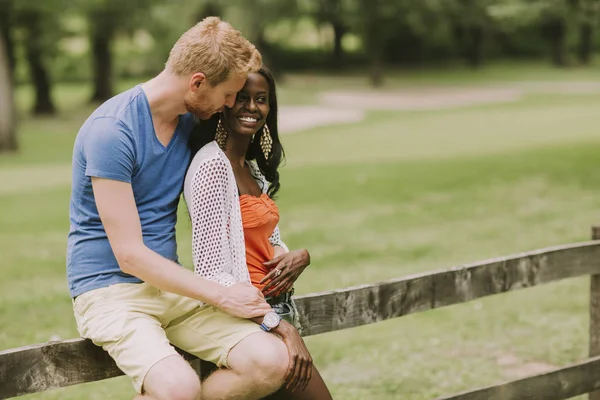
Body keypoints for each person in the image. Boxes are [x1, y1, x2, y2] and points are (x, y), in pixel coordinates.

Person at [67, 17, 291, 400]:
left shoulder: (191, 121)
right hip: (109, 292)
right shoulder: (112, 131)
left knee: (271, 361)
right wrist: (222, 295)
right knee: (178, 387)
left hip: (170, 287)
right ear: (198, 82)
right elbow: (130, 255)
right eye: (228, 95)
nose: (228, 105)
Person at [184, 66, 333, 399]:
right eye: (241, 98)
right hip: (250, 321)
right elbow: (210, 272)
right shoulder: (211, 167)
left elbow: (269, 240)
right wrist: (277, 326)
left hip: (279, 308)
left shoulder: (252, 168)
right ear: (224, 102)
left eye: (261, 99)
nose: (251, 107)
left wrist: (300, 256)